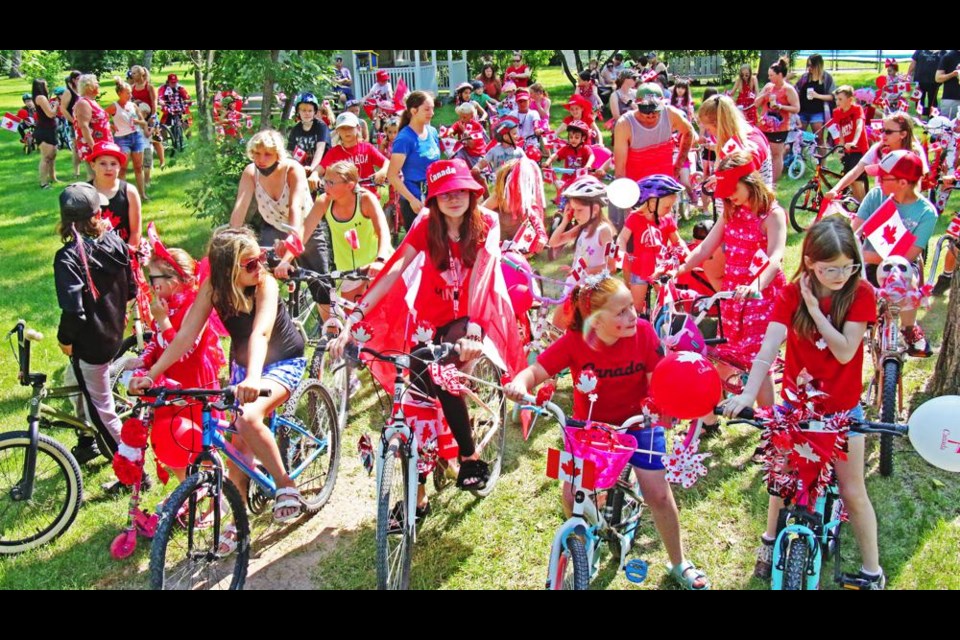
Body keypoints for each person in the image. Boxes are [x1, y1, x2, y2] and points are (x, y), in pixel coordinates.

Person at [330, 159, 525, 515]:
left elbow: (484, 274)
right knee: (415, 400)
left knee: (442, 375)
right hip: (428, 321)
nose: (453, 198)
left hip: (469, 317)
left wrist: (474, 330)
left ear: (471, 191)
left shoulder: (487, 223)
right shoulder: (426, 226)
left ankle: (469, 455)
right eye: (443, 193)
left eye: (459, 191)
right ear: (433, 199)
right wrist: (355, 318)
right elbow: (393, 272)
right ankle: (416, 498)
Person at [504, 274, 710, 590]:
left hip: (638, 422)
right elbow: (537, 370)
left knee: (657, 494)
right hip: (589, 428)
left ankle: (678, 561)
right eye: (622, 311)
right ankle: (584, 536)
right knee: (572, 495)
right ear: (595, 321)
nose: (633, 316)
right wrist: (521, 383)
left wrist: (664, 409)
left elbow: (660, 377)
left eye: (632, 307)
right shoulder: (575, 341)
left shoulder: (642, 333)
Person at [722, 217, 885, 589]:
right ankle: (768, 541)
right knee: (782, 482)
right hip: (797, 409)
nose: (841, 274)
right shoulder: (791, 293)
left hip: (842, 411)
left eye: (849, 266)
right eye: (831, 268)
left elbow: (845, 352)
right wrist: (749, 393)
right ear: (810, 261)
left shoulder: (861, 294)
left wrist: (814, 311)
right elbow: (768, 348)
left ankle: (872, 571)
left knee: (852, 490)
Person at [130, 227, 308, 523]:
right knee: (236, 450)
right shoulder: (213, 287)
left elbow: (261, 333)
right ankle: (237, 526)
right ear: (228, 269)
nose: (259, 266)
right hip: (245, 366)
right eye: (250, 263)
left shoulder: (265, 284)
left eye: (260, 258)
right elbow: (186, 335)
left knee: (248, 418)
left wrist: (251, 378)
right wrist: (152, 374)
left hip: (281, 361)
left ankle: (285, 485)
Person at [673, 151, 787, 407]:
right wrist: (678, 270)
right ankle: (720, 409)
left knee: (760, 360)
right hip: (733, 295)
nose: (730, 196)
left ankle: (770, 428)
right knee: (733, 355)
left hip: (762, 295)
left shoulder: (772, 215)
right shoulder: (731, 213)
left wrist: (756, 285)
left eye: (733, 189)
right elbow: (704, 249)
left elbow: (776, 256)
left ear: (750, 181)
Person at [55, 183, 135, 466]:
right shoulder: (116, 243)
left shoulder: (68, 258)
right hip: (113, 334)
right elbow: (132, 290)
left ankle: (133, 470)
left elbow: (74, 313)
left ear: (66, 220)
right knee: (72, 382)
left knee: (103, 413)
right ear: (98, 212)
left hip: (91, 347)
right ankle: (85, 441)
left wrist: (64, 340)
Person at [852, 150, 937, 357]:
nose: (878, 181)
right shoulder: (876, 196)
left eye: (883, 177)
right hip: (867, 261)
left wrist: (865, 255)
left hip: (899, 264)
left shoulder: (926, 213)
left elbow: (909, 255)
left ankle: (908, 329)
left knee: (909, 281)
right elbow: (854, 231)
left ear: (902, 183)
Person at [616, 175, 688, 313]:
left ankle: (665, 325)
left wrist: (686, 255)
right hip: (640, 268)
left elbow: (677, 241)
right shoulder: (635, 218)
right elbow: (622, 238)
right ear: (652, 203)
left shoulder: (667, 219)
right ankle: (639, 327)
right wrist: (621, 252)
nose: (670, 210)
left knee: (668, 306)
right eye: (667, 206)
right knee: (635, 307)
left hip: (661, 269)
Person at [386, 91, 442, 230]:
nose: (432, 113)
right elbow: (392, 175)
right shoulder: (404, 139)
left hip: (434, 196)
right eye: (427, 109)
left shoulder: (432, 132)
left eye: (433, 109)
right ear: (413, 111)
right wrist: (412, 200)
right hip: (415, 201)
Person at [88, 141, 143, 248]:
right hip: (92, 253)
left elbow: (135, 231)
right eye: (102, 163)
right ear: (93, 165)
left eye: (113, 164)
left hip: (124, 252)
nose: (108, 168)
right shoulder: (84, 193)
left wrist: (128, 255)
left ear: (120, 166)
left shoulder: (130, 192)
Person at [756, 56, 800, 182]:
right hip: (764, 126)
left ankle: (773, 183)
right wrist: (764, 94)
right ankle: (763, 179)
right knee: (764, 153)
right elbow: (756, 103)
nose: (769, 78)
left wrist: (781, 106)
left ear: (780, 74)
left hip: (779, 127)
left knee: (776, 154)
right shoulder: (768, 86)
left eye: (772, 75)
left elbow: (796, 108)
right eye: (769, 75)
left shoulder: (788, 89)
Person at [106, 78, 148, 199]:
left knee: (138, 166)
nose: (130, 95)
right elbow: (101, 117)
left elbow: (143, 122)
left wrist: (137, 121)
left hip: (136, 136)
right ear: (120, 93)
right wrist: (110, 125)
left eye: (130, 92)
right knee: (123, 167)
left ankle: (142, 194)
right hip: (122, 138)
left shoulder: (133, 105)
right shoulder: (114, 107)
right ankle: (122, 195)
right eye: (127, 93)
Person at [286, 93, 331, 192]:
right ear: (298, 111)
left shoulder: (321, 126)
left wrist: (313, 168)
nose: (307, 113)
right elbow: (290, 153)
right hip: (302, 170)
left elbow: (320, 149)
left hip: (321, 168)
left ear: (315, 111)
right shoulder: (295, 130)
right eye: (304, 110)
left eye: (310, 110)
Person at [73, 74, 114, 171]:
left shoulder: (92, 101)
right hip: (93, 147)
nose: (98, 85)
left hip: (103, 143)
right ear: (89, 86)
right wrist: (94, 147)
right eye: (96, 83)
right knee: (96, 177)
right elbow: (84, 127)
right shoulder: (83, 103)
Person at [795, 54, 836, 136]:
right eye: (808, 65)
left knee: (819, 138)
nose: (809, 68)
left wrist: (817, 96)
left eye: (811, 65)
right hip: (802, 112)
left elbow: (833, 96)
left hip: (818, 113)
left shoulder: (827, 78)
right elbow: (795, 91)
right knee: (798, 138)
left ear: (818, 65)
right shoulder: (805, 77)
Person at [32, 79, 60, 189]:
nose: (47, 87)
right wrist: (56, 105)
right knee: (46, 157)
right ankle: (43, 183)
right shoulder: (41, 97)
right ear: (41, 86)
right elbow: (50, 114)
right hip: (44, 130)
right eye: (46, 85)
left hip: (50, 129)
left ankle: (53, 178)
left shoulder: (42, 98)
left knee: (53, 155)